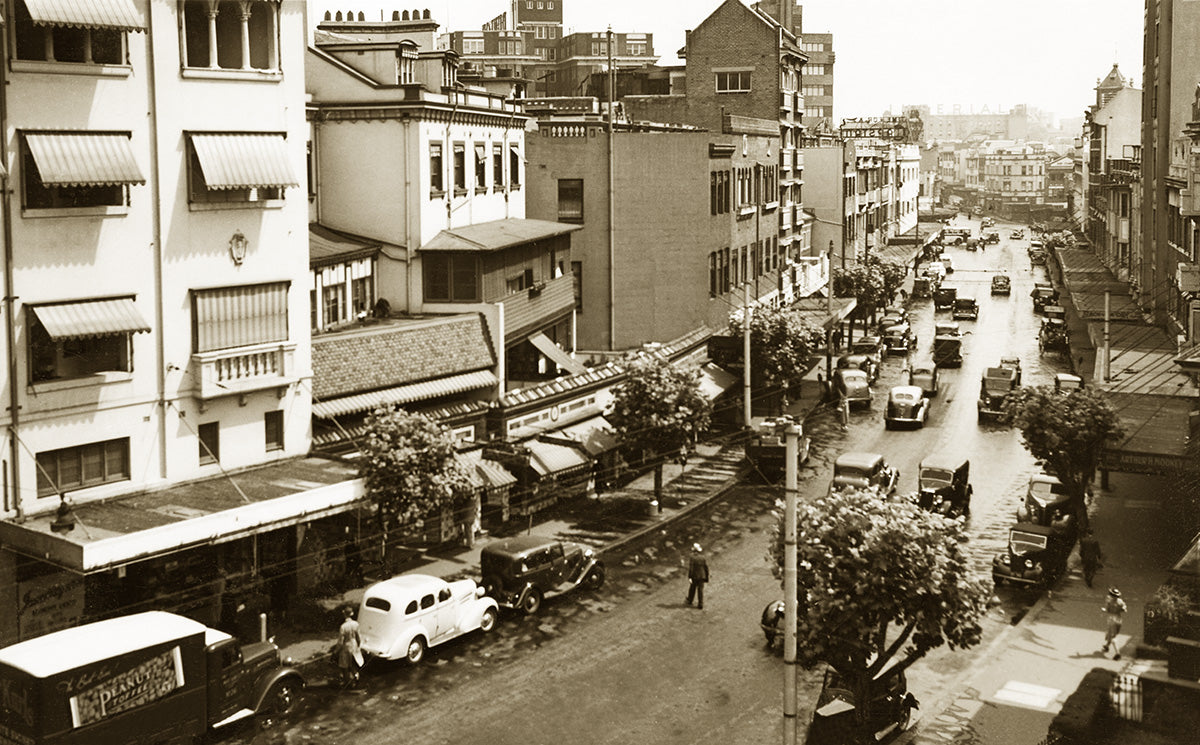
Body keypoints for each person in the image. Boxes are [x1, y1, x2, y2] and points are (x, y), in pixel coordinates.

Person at [336, 606, 363, 687]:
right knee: (353, 664)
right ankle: (356, 678)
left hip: (346, 647)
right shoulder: (356, 624)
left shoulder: (343, 627)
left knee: (345, 666)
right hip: (354, 645)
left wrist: (336, 650)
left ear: (344, 614)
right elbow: (358, 637)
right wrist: (358, 646)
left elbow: (340, 641)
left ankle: (348, 682)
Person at [1101, 587, 1127, 658]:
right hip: (1119, 619)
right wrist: (1121, 609)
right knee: (1110, 633)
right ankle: (1107, 646)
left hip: (1111, 619)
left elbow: (1106, 609)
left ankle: (1117, 653)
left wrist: (1103, 609)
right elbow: (1124, 609)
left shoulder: (1109, 601)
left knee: (1113, 636)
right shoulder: (1120, 601)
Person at [685, 543, 709, 609]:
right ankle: (700, 604)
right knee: (700, 590)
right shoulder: (703, 557)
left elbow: (691, 568)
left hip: (695, 576)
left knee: (692, 588)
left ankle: (690, 600)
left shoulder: (692, 558)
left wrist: (690, 577)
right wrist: (706, 577)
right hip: (702, 576)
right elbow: (706, 568)